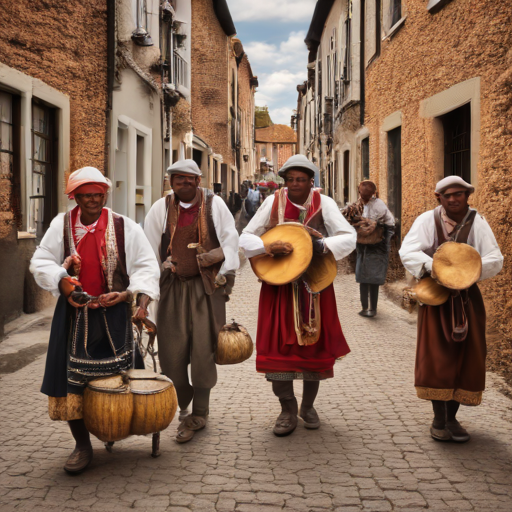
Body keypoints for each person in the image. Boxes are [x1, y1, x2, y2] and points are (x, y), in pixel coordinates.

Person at [30, 167, 160, 474]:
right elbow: (41, 260)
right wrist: (61, 281)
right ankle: (82, 445)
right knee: (71, 381)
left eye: (97, 194)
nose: (92, 200)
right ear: (74, 197)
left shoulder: (124, 226)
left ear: (105, 194)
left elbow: (145, 266)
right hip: (74, 313)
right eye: (85, 195)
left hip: (114, 313)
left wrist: (131, 295)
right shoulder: (61, 225)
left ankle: (114, 426)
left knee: (119, 376)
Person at [239, 154, 356, 437]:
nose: (294, 184)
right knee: (278, 348)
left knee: (313, 347)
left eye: (300, 179)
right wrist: (268, 247)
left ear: (311, 180)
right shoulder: (273, 201)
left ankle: (308, 406)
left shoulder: (323, 203)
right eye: (290, 179)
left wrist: (321, 246)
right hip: (278, 285)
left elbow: (348, 236)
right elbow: (246, 235)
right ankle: (287, 408)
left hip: (313, 285)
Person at [399, 176, 503, 442]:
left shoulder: (477, 222)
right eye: (448, 195)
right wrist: (438, 269)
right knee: (437, 356)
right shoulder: (427, 220)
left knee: (466, 354)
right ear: (439, 198)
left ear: (467, 196)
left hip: (468, 297)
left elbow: (494, 257)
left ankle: (453, 418)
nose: (454, 199)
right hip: (435, 298)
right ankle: (438, 419)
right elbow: (409, 250)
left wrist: (467, 272)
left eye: (459, 194)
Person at [144, 160, 239, 443]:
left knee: (203, 350)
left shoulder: (214, 205)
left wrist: (222, 277)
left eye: (190, 179)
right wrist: (160, 266)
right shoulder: (160, 208)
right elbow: (148, 249)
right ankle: (181, 401)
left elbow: (231, 241)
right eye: (178, 180)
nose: (184, 184)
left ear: (199, 181)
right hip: (172, 287)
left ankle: (200, 412)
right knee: (171, 354)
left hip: (205, 288)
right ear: (170, 182)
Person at [345, 181, 395, 317]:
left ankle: (372, 308)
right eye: (362, 194)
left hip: (377, 245)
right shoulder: (356, 205)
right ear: (359, 191)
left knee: (373, 278)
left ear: (373, 194)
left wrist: (376, 227)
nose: (364, 197)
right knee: (362, 276)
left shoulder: (379, 205)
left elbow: (390, 224)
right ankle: (364, 307)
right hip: (362, 244)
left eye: (367, 195)